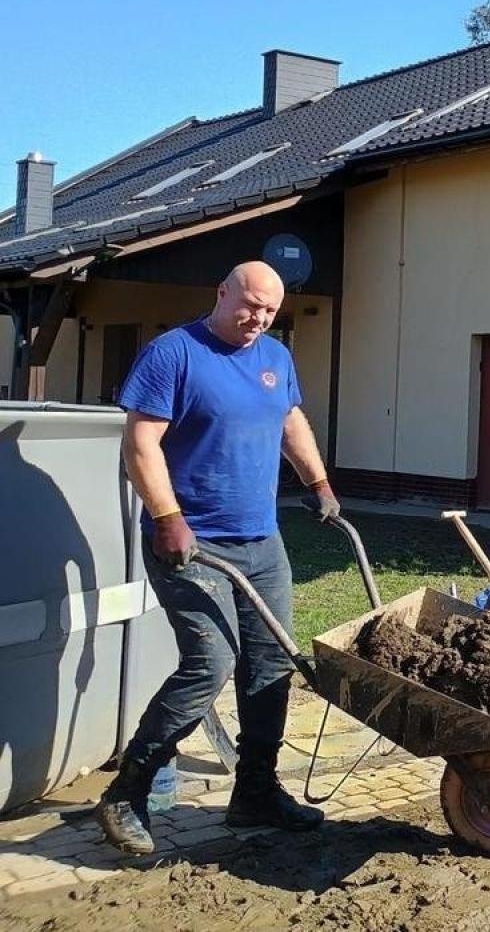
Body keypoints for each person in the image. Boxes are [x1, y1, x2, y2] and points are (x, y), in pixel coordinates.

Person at [95, 261, 342, 855]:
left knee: (271, 666)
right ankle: (128, 792)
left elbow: (290, 421)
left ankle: (255, 790)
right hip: (192, 541)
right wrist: (167, 518)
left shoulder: (275, 359)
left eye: (268, 311)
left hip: (262, 542)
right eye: (249, 304)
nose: (256, 318)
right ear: (222, 292)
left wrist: (320, 484)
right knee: (210, 663)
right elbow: (140, 441)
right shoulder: (173, 353)